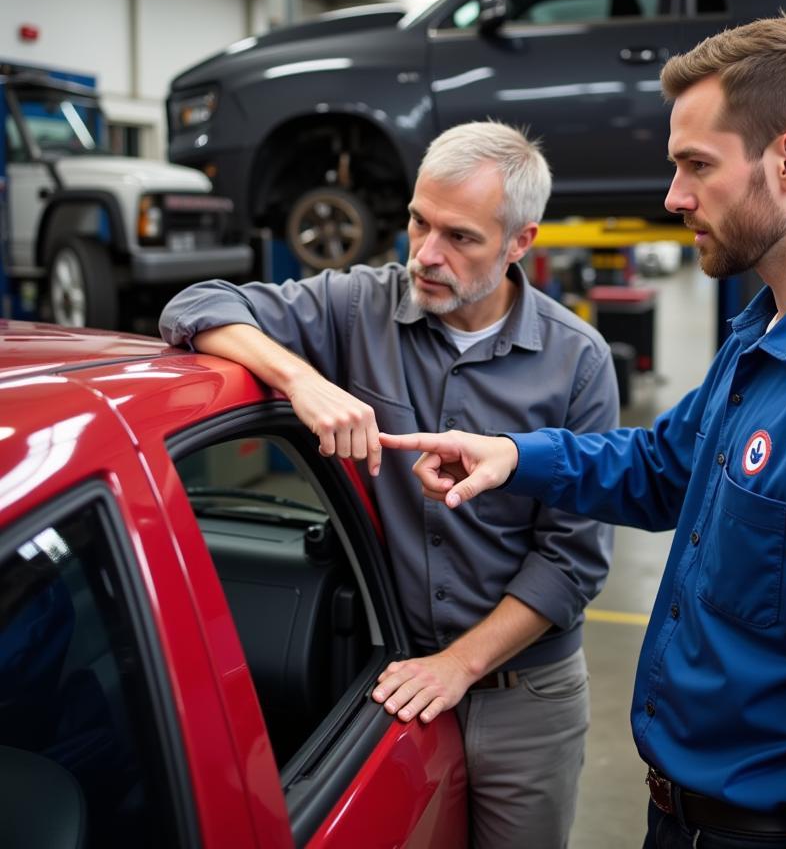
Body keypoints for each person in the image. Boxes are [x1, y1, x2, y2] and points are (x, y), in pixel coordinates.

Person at [379, 15, 786, 849]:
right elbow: (665, 468)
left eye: (696, 166)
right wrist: (515, 455)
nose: (672, 197)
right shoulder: (767, 333)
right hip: (685, 819)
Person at [159, 121, 617, 849]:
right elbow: (196, 305)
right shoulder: (355, 306)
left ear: (519, 242)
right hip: (395, 676)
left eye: (460, 237)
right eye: (417, 222)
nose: (427, 255)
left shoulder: (577, 362)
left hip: (522, 696)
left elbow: (572, 562)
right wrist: (301, 379)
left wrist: (457, 666)